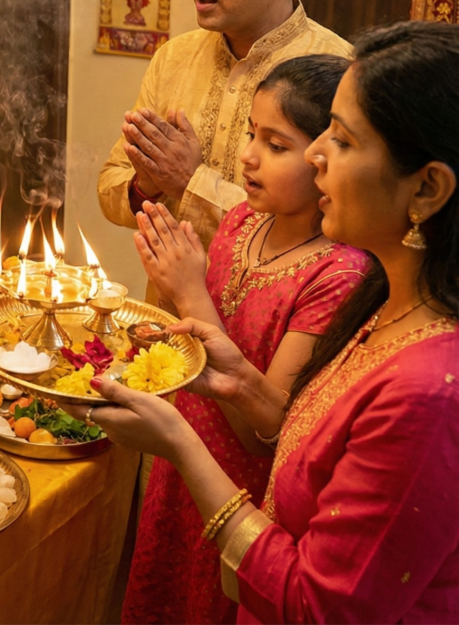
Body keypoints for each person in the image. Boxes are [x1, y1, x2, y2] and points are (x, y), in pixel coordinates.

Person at [84, 21, 459, 623]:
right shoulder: (386, 307)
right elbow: (290, 421)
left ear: (427, 188)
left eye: (340, 139)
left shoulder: (429, 393)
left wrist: (180, 442)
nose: (315, 156)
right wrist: (228, 372)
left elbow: (316, 605)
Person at [120, 55, 370, 624]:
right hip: (180, 464)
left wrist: (188, 293)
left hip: (240, 492)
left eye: (276, 146)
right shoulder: (241, 222)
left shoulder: (338, 274)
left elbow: (268, 431)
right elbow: (196, 344)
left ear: (327, 159)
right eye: (252, 134)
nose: (248, 156)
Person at [98, 0, 351, 249]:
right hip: (167, 307)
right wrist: (146, 183)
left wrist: (189, 182)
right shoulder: (175, 57)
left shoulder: (341, 74)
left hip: (281, 308)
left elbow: (334, 231)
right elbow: (110, 190)